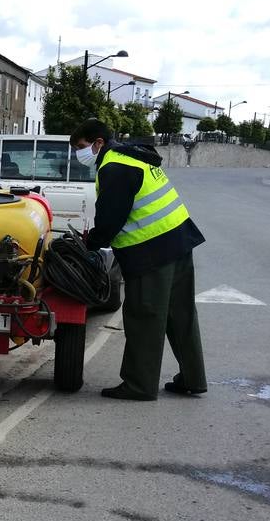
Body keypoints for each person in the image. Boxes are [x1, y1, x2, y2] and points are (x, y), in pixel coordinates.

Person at [71, 119, 207, 401]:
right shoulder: (133, 156)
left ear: (98, 143)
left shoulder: (114, 166)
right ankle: (193, 378)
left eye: (81, 147)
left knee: (144, 316)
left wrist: (90, 244)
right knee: (180, 314)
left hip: (151, 250)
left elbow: (110, 220)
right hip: (179, 240)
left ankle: (139, 385)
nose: (79, 154)